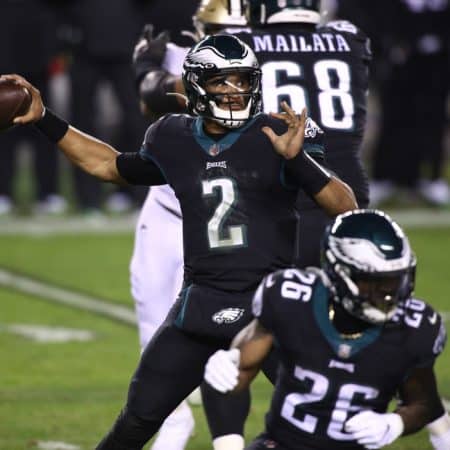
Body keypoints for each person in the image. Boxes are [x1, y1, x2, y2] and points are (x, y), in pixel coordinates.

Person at [5, 33, 357, 449]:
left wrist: (299, 161)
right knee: (135, 421)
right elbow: (108, 165)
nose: (234, 91)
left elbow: (346, 207)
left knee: (322, 424)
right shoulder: (172, 136)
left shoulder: (277, 133)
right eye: (221, 81)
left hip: (270, 307)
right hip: (200, 305)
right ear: (195, 85)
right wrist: (45, 119)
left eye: (242, 80)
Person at [131, 1, 371, 447]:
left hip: (274, 192)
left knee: (252, 333)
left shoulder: (241, 51)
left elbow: (156, 94)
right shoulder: (344, 38)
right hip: (324, 188)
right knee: (335, 333)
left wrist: (147, 66)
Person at [204, 209, 449, 450]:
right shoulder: (291, 299)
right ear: (339, 274)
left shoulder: (415, 327)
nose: (388, 295)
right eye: (373, 282)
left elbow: (424, 403)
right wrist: (226, 365)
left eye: (395, 280)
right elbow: (238, 371)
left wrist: (395, 423)